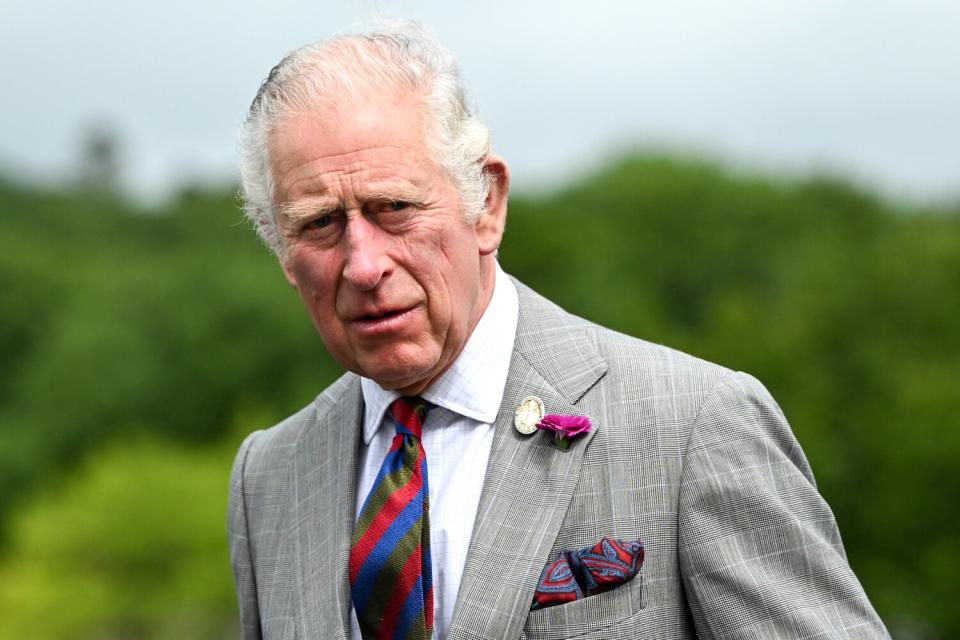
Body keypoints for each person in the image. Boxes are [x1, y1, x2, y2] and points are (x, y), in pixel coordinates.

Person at [227, 20, 889, 640]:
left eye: (394, 207)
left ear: (486, 206)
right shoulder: (270, 477)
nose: (364, 264)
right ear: (283, 253)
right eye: (319, 224)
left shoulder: (696, 425)